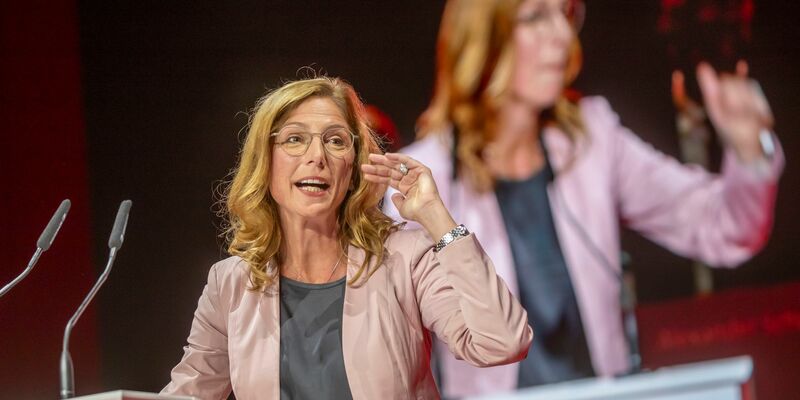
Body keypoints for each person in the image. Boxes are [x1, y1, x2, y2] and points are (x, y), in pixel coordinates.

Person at [383, 0, 784, 397]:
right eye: (537, 16)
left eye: (566, 14)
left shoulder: (593, 138)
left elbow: (726, 227)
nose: (561, 35)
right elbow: (396, 344)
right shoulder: (426, 176)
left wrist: (751, 154)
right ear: (486, 36)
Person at [161, 76, 533, 400]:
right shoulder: (231, 284)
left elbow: (501, 342)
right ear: (266, 161)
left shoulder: (404, 257)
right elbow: (188, 393)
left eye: (336, 141)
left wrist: (434, 214)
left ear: (353, 166)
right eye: (294, 139)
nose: (316, 156)